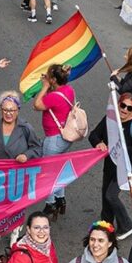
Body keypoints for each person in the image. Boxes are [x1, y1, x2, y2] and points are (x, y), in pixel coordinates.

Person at [0, 91, 42, 254]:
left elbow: (37, 148)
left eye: (12, 110)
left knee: (16, 206)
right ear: (1, 110)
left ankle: (14, 234)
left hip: (18, 176)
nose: (8, 113)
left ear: (18, 110)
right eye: (5, 110)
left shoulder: (26, 128)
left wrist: (26, 156)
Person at [89, 91, 132, 239]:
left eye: (129, 108)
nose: (124, 110)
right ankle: (106, 225)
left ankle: (126, 225)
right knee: (105, 196)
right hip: (110, 166)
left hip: (125, 170)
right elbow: (94, 135)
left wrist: (123, 150)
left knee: (111, 195)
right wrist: (99, 143)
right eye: (122, 105)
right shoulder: (110, 120)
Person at [32, 64, 82, 218]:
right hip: (65, 138)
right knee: (58, 169)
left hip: (54, 139)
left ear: (53, 79)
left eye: (49, 76)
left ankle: (51, 203)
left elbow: (37, 105)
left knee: (48, 173)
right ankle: (60, 199)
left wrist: (44, 86)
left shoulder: (53, 96)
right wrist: (51, 83)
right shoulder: (68, 90)